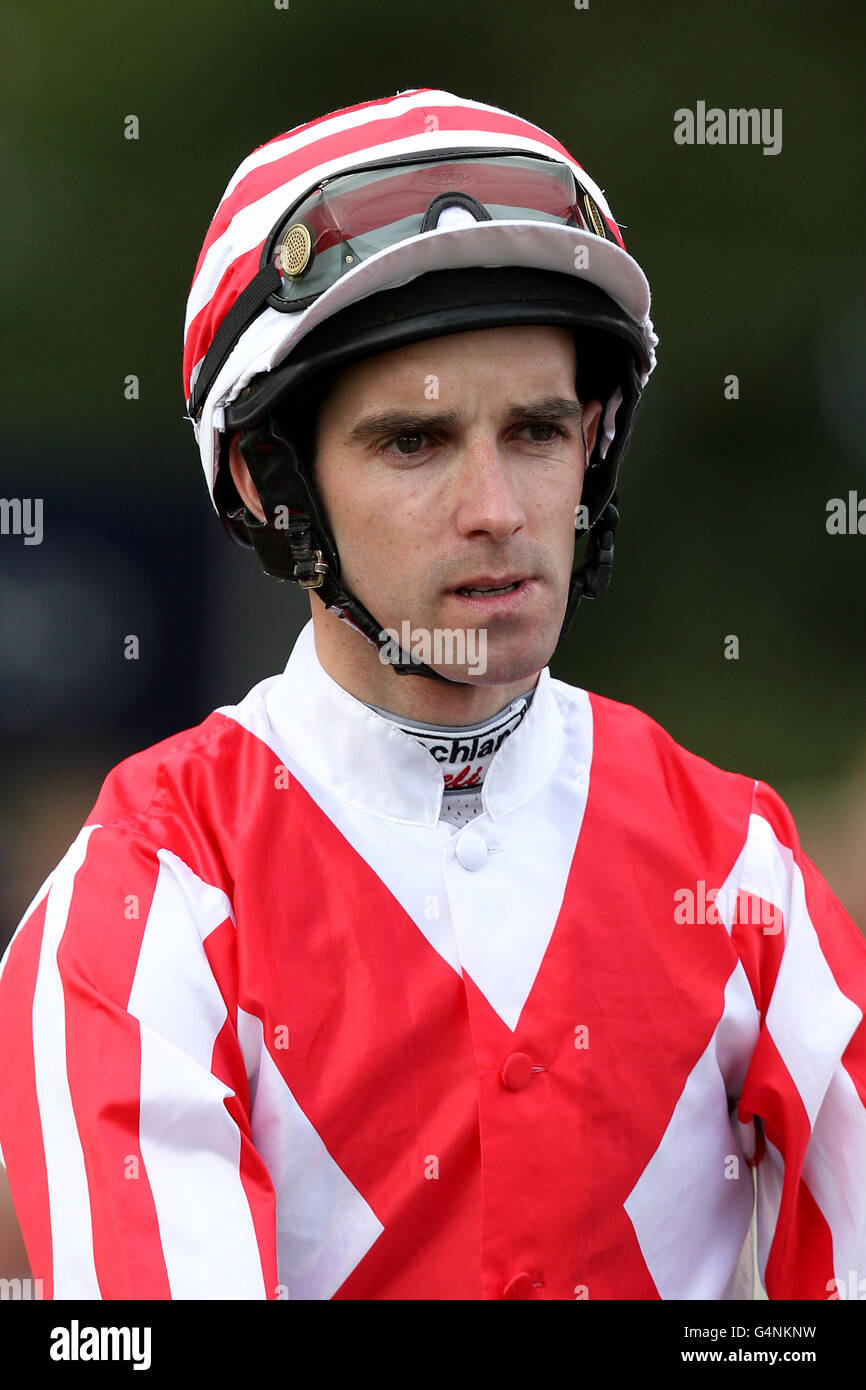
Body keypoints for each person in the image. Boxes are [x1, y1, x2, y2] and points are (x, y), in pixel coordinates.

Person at [0, 87, 863, 1302]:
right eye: (413, 443)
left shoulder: (739, 866)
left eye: (536, 431)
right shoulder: (142, 893)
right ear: (268, 483)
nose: (498, 512)